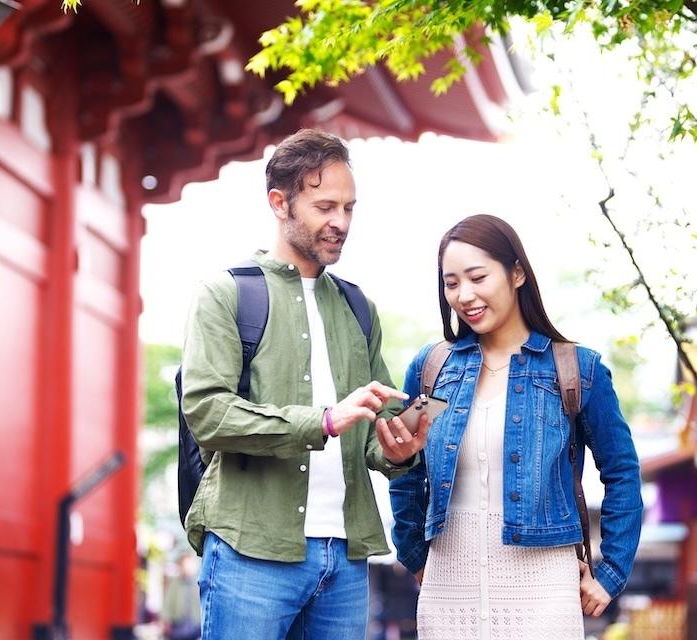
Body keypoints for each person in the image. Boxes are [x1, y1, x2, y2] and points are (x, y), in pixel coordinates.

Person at [180, 129, 429, 640]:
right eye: (324, 206)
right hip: (251, 552)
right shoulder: (226, 294)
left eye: (349, 208)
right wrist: (321, 421)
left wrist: (401, 448)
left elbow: (375, 435)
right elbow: (207, 413)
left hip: (347, 555)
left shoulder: (359, 308)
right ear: (279, 203)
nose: (340, 222)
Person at [390, 214, 643, 639]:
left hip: (544, 588)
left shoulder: (575, 370)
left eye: (477, 277)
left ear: (517, 273)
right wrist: (415, 553)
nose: (464, 295)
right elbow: (405, 462)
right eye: (451, 283)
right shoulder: (434, 370)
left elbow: (622, 473)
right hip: (448, 586)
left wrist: (611, 571)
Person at [161, 553, 202, 640]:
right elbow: (168, 602)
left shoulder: (198, 583)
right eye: (183, 564)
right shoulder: (174, 583)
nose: (185, 567)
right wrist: (166, 620)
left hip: (195, 625)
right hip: (178, 624)